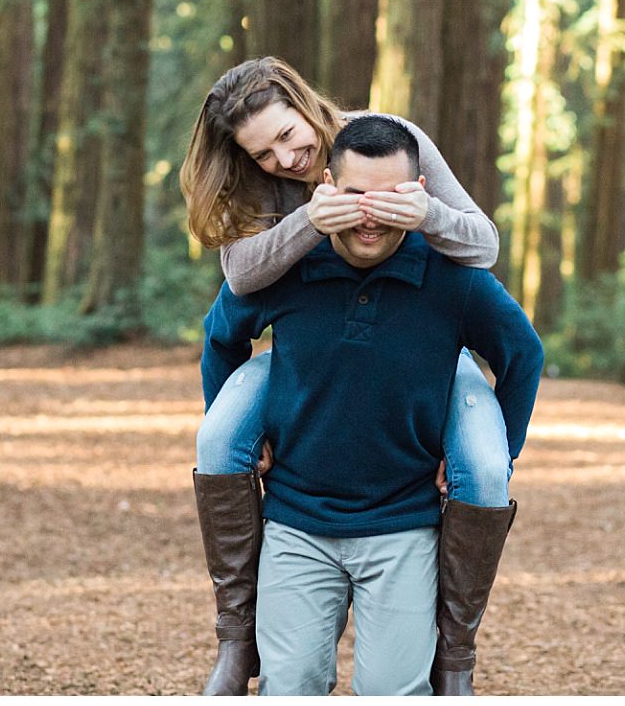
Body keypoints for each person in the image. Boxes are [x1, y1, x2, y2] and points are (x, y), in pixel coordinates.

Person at [180, 57, 517, 694]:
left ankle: (455, 658)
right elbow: (241, 279)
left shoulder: (386, 139)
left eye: (288, 135)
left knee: (483, 465)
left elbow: (483, 244)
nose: (285, 159)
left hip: (427, 345)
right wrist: (309, 221)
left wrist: (425, 215)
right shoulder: (262, 184)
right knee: (218, 438)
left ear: (304, 104)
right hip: (304, 346)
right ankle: (236, 636)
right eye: (262, 153)